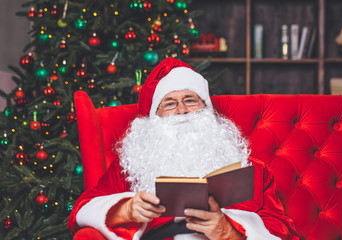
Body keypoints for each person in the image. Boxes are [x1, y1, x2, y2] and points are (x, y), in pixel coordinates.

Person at [68, 57, 299, 240]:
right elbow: (81, 210)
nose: (181, 110)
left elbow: (282, 230)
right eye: (169, 103)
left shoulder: (253, 171)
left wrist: (229, 232)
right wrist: (125, 210)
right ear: (153, 117)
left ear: (206, 109)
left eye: (190, 100)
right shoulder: (131, 166)